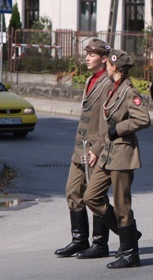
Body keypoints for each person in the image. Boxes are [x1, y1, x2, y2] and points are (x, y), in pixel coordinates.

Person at [83, 49, 151, 269]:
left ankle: (131, 253)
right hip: (108, 153)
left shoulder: (129, 92)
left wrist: (120, 128)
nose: (108, 68)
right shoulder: (115, 89)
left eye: (110, 66)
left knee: (122, 205)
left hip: (123, 154)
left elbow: (143, 119)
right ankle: (127, 233)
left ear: (116, 68)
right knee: (91, 196)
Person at [55, 38, 113, 259]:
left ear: (104, 58)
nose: (87, 58)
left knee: (95, 195)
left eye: (93, 54)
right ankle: (79, 239)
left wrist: (98, 148)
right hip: (80, 149)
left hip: (95, 150)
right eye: (86, 54)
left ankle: (100, 243)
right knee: (73, 191)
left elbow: (109, 123)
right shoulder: (90, 79)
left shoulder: (108, 83)